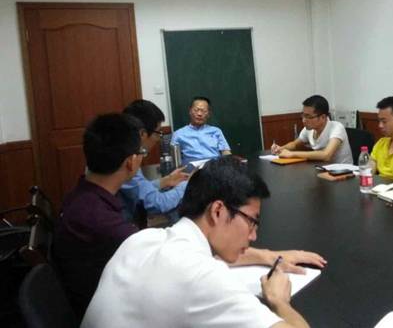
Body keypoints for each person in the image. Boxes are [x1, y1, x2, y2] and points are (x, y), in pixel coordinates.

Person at [82, 157, 326, 328]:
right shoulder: (204, 277)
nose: (253, 236)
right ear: (218, 210)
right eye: (252, 221)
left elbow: (203, 258)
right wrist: (279, 301)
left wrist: (268, 256)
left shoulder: (142, 239)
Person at [52, 113, 143, 321]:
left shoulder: (81, 195)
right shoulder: (102, 222)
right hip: (108, 315)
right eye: (142, 152)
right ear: (131, 162)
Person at [120, 100, 188, 223]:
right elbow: (157, 204)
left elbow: (138, 189)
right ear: (142, 134)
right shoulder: (127, 160)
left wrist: (166, 181)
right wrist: (187, 185)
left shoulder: (121, 151)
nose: (158, 139)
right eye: (158, 133)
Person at [271, 95, 353, 164]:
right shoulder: (309, 129)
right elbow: (295, 144)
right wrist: (280, 149)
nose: (304, 120)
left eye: (308, 117)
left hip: (344, 173)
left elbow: (326, 155)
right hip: (322, 169)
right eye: (303, 115)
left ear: (323, 117)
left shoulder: (337, 127)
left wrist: (292, 154)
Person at [171, 96, 232, 164]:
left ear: (208, 114)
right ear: (190, 111)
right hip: (192, 168)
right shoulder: (178, 134)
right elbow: (174, 159)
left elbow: (226, 152)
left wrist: (229, 164)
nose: (199, 114)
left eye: (204, 111)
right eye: (196, 110)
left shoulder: (216, 131)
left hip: (214, 166)